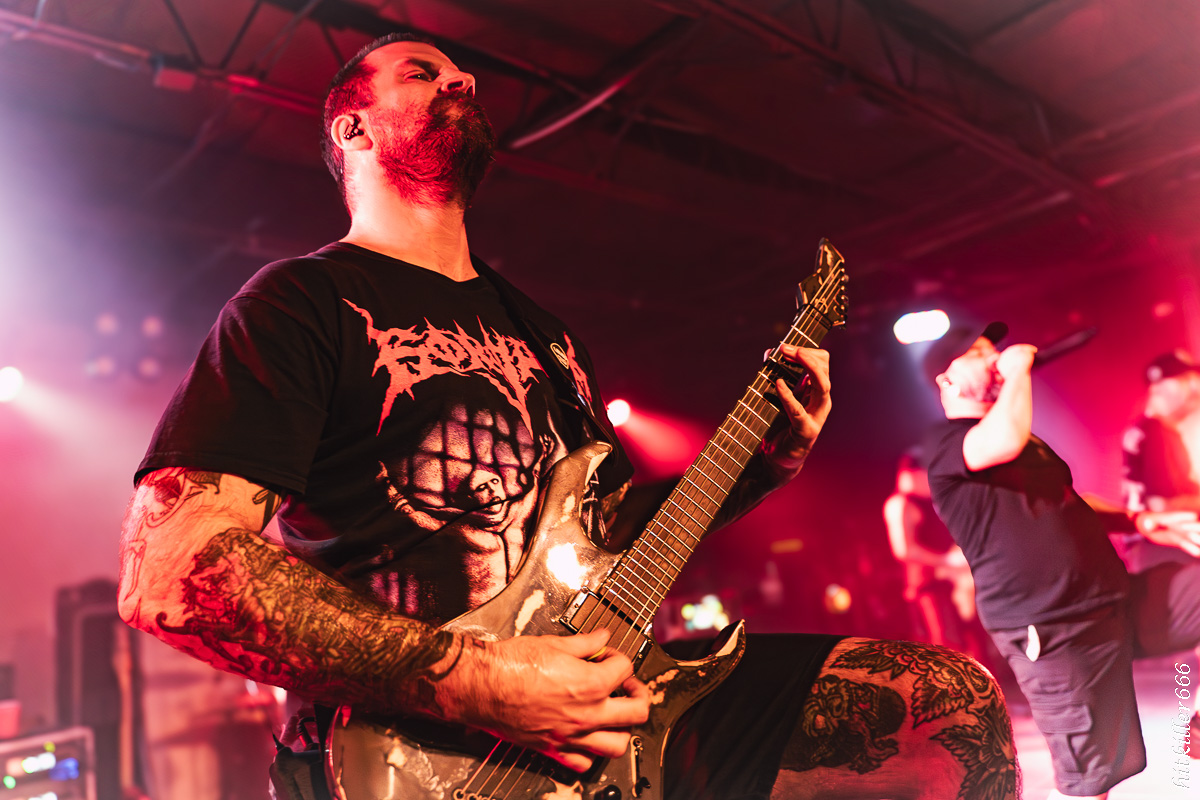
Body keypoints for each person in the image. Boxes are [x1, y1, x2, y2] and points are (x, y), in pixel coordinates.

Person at [118, 33, 1018, 799]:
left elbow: (609, 537)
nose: (461, 79)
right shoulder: (299, 303)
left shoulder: (546, 335)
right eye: (423, 74)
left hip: (616, 707)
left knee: (948, 709)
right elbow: (171, 568)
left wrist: (760, 467)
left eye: (461, 73)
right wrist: (478, 681)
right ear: (350, 128)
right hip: (415, 755)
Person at [922, 322, 1200, 799]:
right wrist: (1019, 369)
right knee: (1091, 784)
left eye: (995, 349)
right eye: (980, 352)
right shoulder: (949, 444)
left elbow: (1067, 498)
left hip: (1113, 602)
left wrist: (1138, 520)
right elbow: (1004, 438)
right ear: (947, 380)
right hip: (1058, 632)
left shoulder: (1022, 443)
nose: (995, 357)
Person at [882, 451, 981, 653]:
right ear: (913, 473)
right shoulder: (900, 503)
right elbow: (903, 550)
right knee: (948, 650)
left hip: (947, 585)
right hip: (929, 589)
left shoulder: (925, 502)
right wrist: (947, 560)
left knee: (969, 646)